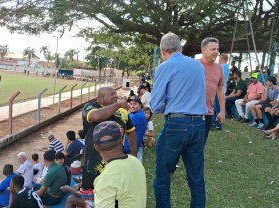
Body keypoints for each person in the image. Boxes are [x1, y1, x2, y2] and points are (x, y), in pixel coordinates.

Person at [150, 32, 207, 208]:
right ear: (181, 49)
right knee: (196, 178)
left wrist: (167, 105)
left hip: (176, 124)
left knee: (163, 176)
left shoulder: (164, 66)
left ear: (162, 50)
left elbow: (155, 106)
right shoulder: (198, 65)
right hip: (199, 124)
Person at [62, 121, 147, 208]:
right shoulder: (136, 162)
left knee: (72, 199)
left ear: (96, 147)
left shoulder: (105, 179)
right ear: (121, 140)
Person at [81, 86, 137, 190]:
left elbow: (131, 132)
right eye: (112, 94)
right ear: (102, 97)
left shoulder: (122, 112)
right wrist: (118, 104)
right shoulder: (91, 106)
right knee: (91, 196)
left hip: (117, 165)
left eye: (115, 94)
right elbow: (97, 117)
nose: (116, 96)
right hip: (93, 165)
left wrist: (134, 154)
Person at [198, 38, 225, 136]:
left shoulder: (219, 68)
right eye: (213, 49)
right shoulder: (194, 64)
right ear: (203, 50)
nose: (216, 52)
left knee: (201, 145)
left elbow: (221, 90)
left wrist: (222, 111)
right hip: (191, 112)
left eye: (217, 49)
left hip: (209, 113)